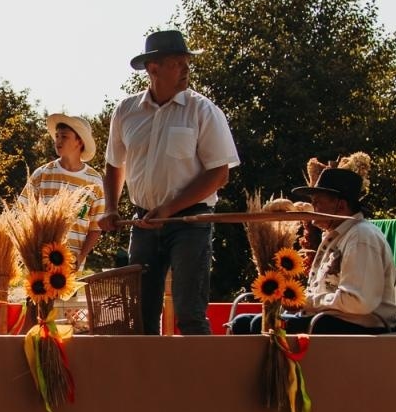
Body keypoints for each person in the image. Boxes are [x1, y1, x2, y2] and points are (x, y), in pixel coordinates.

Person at [101, 29, 240, 334]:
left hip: (191, 222)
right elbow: (113, 163)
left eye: (187, 62)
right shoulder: (125, 111)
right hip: (143, 223)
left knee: (189, 312)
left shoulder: (203, 110)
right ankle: (149, 368)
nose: (186, 69)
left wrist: (169, 208)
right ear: (153, 68)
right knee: (141, 316)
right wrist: (110, 207)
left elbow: (219, 174)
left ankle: (199, 367)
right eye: (178, 63)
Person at [230, 166, 396, 334]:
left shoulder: (361, 236)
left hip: (360, 328)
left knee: (262, 325)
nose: (313, 207)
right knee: (242, 322)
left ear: (341, 206)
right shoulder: (339, 234)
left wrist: (306, 302)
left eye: (318, 202)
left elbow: (358, 301)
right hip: (331, 320)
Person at [27, 112, 106, 271]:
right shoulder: (41, 174)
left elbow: (96, 227)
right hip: (39, 263)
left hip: (71, 265)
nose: (58, 141)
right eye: (57, 136)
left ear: (80, 141)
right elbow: (24, 213)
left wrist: (81, 256)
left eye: (64, 136)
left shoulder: (94, 181)